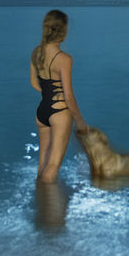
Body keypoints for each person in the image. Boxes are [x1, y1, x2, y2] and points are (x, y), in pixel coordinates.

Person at [30, 9, 89, 183]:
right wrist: (80, 122)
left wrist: (47, 94)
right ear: (63, 30)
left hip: (41, 112)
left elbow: (34, 83)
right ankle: (47, 208)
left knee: (43, 164)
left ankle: (38, 203)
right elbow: (68, 96)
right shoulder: (64, 59)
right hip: (59, 112)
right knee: (53, 167)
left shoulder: (36, 53)